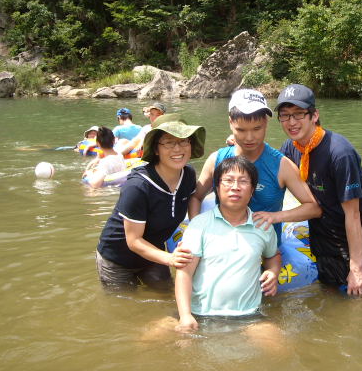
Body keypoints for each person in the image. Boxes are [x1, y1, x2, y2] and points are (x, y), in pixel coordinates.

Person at [275, 84, 362, 308]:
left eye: (298, 114)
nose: (291, 122)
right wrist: (241, 147)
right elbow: (268, 168)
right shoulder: (290, 148)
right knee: (335, 301)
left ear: (314, 115)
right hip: (326, 236)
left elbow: (353, 215)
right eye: (285, 115)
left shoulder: (339, 153)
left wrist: (356, 268)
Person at [188, 89, 320, 246]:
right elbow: (196, 197)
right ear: (231, 123)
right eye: (241, 130)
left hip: (265, 249)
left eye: (257, 129)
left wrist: (275, 217)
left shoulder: (282, 165)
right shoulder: (216, 159)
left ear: (266, 122)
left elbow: (313, 208)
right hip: (223, 245)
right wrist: (196, 231)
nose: (249, 138)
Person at [96, 114, 205, 287]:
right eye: (169, 142)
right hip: (117, 259)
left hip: (154, 251)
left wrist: (196, 228)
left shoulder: (188, 175)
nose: (178, 149)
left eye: (183, 141)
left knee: (166, 295)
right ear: (155, 149)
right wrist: (170, 258)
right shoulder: (138, 187)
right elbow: (134, 241)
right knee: (124, 302)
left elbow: (192, 198)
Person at [175, 156, 281, 332]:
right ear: (217, 188)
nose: (235, 187)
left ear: (252, 190)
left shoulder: (263, 226)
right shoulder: (199, 225)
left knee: (278, 344)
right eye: (228, 181)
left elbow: (273, 255)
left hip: (249, 316)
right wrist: (185, 315)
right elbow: (184, 273)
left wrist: (273, 271)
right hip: (201, 314)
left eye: (243, 181)